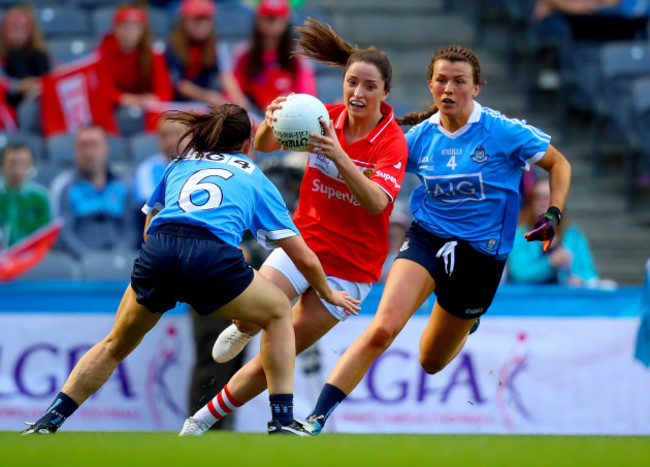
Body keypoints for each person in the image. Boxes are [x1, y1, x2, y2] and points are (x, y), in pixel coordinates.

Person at [21, 103, 358, 436]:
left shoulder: (182, 163)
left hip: (160, 250)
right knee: (277, 313)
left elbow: (149, 225)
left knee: (114, 344)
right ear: (247, 144)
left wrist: (172, 267)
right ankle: (282, 420)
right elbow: (305, 257)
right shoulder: (253, 175)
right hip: (211, 256)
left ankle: (48, 421)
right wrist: (328, 292)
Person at [302, 44, 572, 435]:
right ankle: (316, 418)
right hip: (427, 239)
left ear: (476, 88)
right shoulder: (417, 138)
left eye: (459, 82)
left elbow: (559, 163)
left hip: (482, 257)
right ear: (430, 85)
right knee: (381, 328)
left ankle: (468, 320)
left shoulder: (503, 132)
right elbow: (373, 173)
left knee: (430, 361)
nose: (449, 89)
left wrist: (553, 214)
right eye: (441, 80)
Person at [178, 18, 408, 436]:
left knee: (274, 357)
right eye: (352, 82)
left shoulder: (391, 142)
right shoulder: (321, 117)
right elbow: (264, 146)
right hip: (303, 246)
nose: (358, 93)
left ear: (385, 93)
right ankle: (243, 326)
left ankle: (201, 420)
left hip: (350, 269)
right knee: (258, 317)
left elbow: (378, 202)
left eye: (369, 87)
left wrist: (340, 157)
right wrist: (269, 120)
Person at [50, 125, 135, 259]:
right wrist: (89, 260)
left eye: (94, 145)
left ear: (106, 149)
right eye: (83, 145)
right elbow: (65, 233)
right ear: (76, 150)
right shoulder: (65, 186)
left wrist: (119, 256)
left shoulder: (124, 185)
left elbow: (131, 230)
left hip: (120, 260)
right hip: (81, 263)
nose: (89, 152)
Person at [508, 178, 609, 287]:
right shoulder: (519, 236)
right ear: (531, 204)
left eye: (548, 198)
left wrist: (579, 279)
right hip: (530, 300)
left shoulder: (573, 234)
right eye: (538, 198)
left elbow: (589, 271)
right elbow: (519, 274)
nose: (543, 202)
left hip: (566, 299)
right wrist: (550, 263)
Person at [232, 0, 316, 112]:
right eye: (267, 17)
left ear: (286, 22)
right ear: (258, 20)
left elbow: (307, 96)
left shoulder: (298, 57)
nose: (271, 23)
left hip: (289, 116)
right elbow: (233, 92)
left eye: (276, 18)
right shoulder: (243, 53)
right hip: (253, 116)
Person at [165, 0, 250, 109]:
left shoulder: (215, 44)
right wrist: (208, 96)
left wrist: (237, 96)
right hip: (177, 104)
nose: (202, 24)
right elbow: (180, 85)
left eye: (206, 19)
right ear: (184, 21)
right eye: (197, 19)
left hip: (203, 105)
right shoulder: (173, 45)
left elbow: (225, 75)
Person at [97, 3, 173, 111]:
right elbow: (103, 90)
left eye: (135, 27)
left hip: (146, 109)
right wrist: (130, 99)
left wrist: (154, 98)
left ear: (142, 31)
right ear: (116, 28)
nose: (129, 32)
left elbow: (165, 90)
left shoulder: (153, 54)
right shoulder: (103, 51)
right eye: (125, 26)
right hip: (114, 109)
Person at [0, 142, 51, 248]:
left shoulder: (41, 197)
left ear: (31, 165)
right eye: (12, 164)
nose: (17, 170)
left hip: (31, 257)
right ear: (2, 165)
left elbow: (46, 236)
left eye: (23, 164)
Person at [0, 3, 50, 109]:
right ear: (4, 30)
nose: (17, 33)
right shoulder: (5, 58)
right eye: (13, 27)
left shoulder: (40, 56)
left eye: (22, 28)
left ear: (30, 31)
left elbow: (49, 77)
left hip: (38, 99)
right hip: (12, 107)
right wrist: (20, 86)